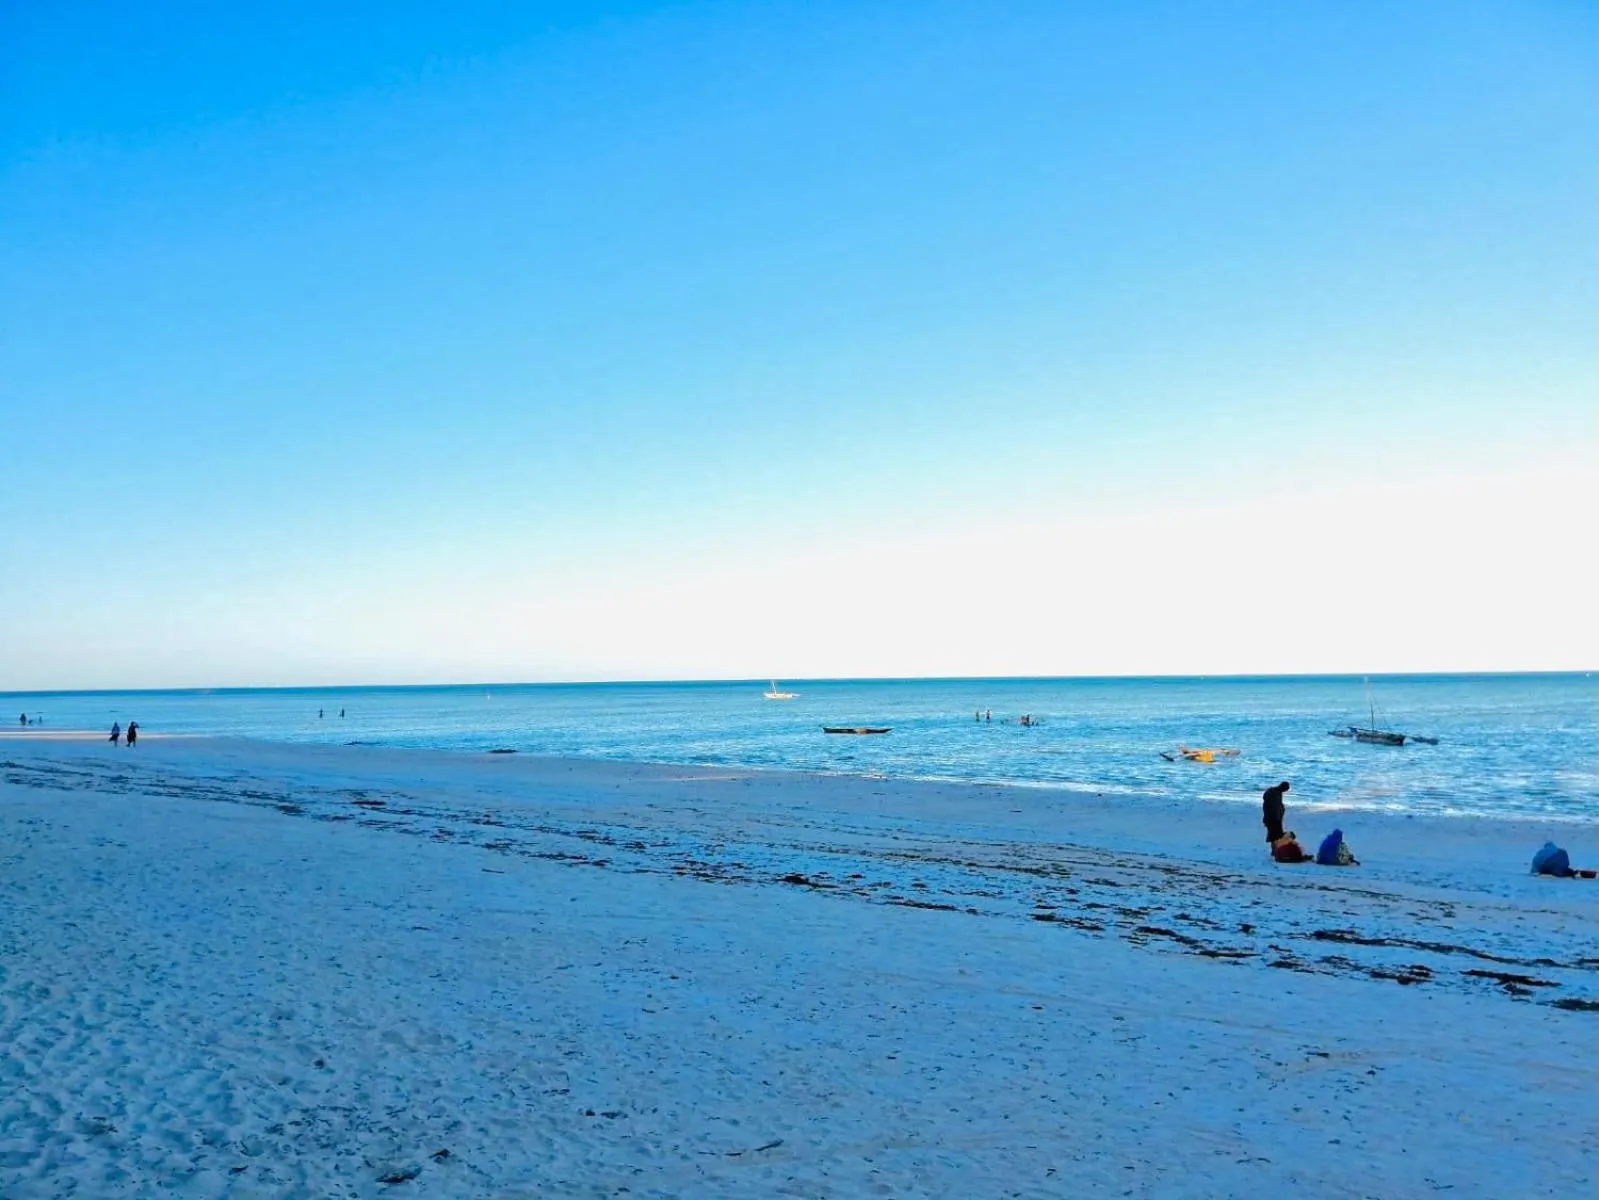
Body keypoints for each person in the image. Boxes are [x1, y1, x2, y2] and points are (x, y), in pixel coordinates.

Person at [1531, 842, 1595, 879]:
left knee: (1558, 870)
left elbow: (1534, 869)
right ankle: (1573, 873)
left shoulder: (1539, 854)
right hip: (1559, 859)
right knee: (1562, 869)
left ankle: (1570, 873)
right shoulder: (1559, 851)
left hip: (1547, 865)